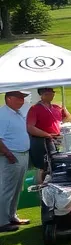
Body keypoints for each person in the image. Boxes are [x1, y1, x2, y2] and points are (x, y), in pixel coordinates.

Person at [26, 86, 71, 186]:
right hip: (43, 141)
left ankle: (56, 183)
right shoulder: (35, 109)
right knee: (44, 166)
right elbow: (30, 127)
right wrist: (47, 134)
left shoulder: (56, 107)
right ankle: (41, 186)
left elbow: (67, 117)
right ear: (41, 95)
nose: (51, 95)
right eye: (47, 94)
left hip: (58, 139)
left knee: (58, 162)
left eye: (52, 93)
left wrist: (65, 110)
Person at [0, 90, 31, 232]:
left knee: (17, 188)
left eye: (22, 98)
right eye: (18, 98)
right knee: (7, 188)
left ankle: (12, 215)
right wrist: (7, 153)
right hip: (11, 156)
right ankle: (2, 221)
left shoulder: (16, 113)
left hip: (22, 154)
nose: (22, 101)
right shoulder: (3, 115)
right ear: (9, 99)